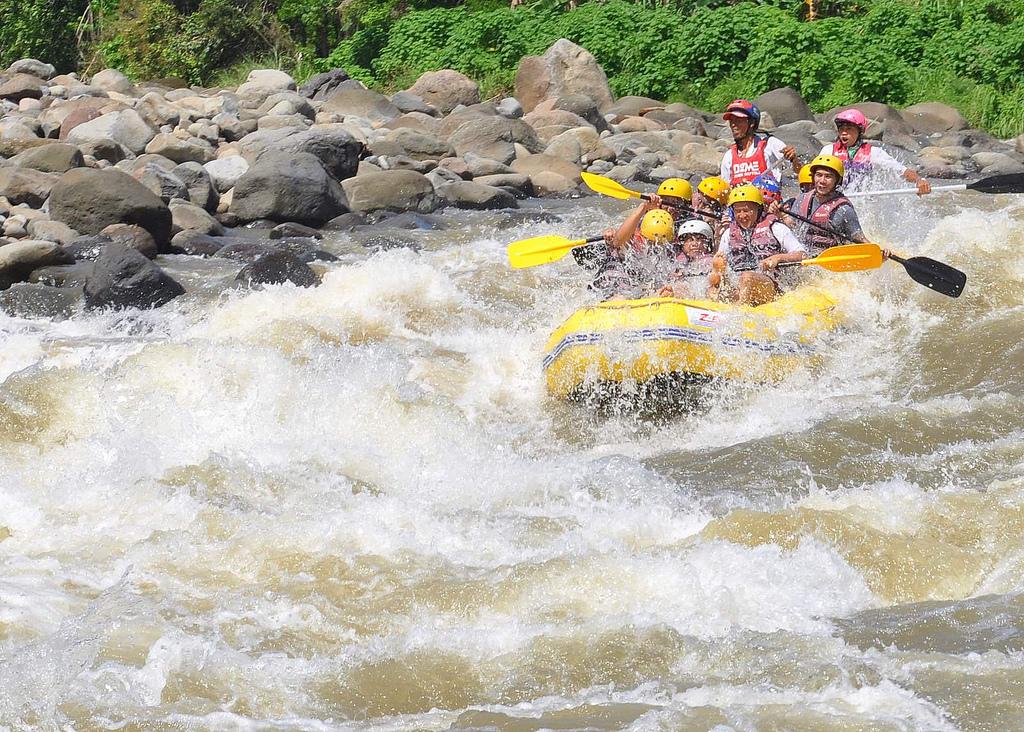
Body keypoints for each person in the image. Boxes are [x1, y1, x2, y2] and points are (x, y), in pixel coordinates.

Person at [711, 184, 805, 306]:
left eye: (747, 210)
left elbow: (802, 255)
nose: (742, 215)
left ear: (759, 209)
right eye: (738, 211)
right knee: (714, 283)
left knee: (747, 277)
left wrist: (778, 258)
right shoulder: (729, 234)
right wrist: (718, 266)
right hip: (740, 286)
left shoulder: (776, 228)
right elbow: (719, 269)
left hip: (772, 287)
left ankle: (738, 313)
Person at [822, 108, 931, 195]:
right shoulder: (828, 151)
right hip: (834, 200)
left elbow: (901, 171)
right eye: (842, 129)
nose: (844, 133)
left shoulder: (873, 153)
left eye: (849, 129)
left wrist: (919, 180)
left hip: (861, 202)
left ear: (860, 131)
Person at [789, 154, 869, 256]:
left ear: (837, 181)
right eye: (819, 175)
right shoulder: (802, 199)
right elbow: (791, 225)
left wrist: (877, 250)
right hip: (803, 256)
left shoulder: (844, 210)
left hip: (827, 260)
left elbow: (859, 238)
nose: (822, 181)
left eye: (828, 176)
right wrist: (778, 214)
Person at [593, 209, 680, 299]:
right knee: (620, 298)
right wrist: (643, 207)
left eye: (655, 244)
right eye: (648, 242)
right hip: (607, 291)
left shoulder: (659, 252)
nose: (652, 247)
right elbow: (618, 240)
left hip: (632, 292)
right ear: (638, 233)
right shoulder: (627, 241)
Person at [720, 99, 801, 187]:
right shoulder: (729, 156)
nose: (733, 125)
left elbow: (799, 171)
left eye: (738, 120)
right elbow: (726, 189)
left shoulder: (770, 144)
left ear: (752, 123)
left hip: (769, 199)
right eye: (731, 121)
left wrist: (794, 159)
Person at [605, 178, 693, 250]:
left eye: (676, 203)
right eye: (666, 201)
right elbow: (618, 242)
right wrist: (644, 207)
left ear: (686, 204)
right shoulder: (651, 216)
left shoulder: (691, 222)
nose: (670, 208)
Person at [657, 219, 716, 298]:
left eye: (699, 239)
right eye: (689, 240)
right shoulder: (679, 263)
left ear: (707, 243)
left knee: (712, 287)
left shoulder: (711, 261)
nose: (694, 244)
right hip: (687, 295)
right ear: (683, 245)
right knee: (678, 287)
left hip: (706, 296)